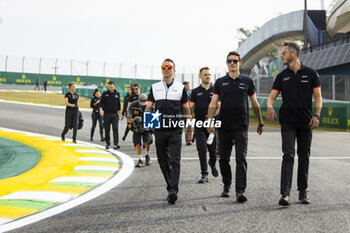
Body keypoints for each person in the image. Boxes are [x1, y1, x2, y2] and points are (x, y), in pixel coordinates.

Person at [266, 41, 322, 206]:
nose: (281, 56)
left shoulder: (311, 74)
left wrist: (317, 115)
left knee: (304, 157)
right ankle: (285, 194)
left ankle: (302, 192)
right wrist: (269, 106)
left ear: (294, 54)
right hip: (288, 122)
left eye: (283, 53)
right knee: (288, 155)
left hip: (306, 122)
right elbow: (271, 98)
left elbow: (318, 97)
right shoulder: (282, 76)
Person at [207, 51, 264, 203]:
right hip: (224, 126)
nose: (232, 63)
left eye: (235, 61)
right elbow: (213, 103)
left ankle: (240, 191)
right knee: (224, 159)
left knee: (241, 159)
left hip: (241, 127)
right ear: (226, 63)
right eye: (229, 61)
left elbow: (254, 103)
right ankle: (227, 184)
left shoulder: (247, 81)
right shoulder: (219, 82)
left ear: (240, 62)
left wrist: (260, 122)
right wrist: (210, 121)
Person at [145, 58, 192, 204]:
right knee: (162, 161)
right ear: (161, 69)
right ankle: (170, 186)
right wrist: (147, 125)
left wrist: (189, 127)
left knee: (175, 160)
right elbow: (149, 107)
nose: (166, 69)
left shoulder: (180, 88)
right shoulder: (154, 87)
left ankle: (173, 191)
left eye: (169, 67)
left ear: (174, 70)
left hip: (176, 130)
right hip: (159, 130)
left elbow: (186, 108)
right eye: (164, 67)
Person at [190, 67, 220, 183]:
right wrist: (191, 114)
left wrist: (211, 116)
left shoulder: (216, 90)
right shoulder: (195, 91)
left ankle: (212, 164)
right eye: (205, 74)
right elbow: (190, 107)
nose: (208, 76)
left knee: (213, 150)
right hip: (199, 124)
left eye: (209, 74)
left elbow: (219, 107)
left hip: (212, 124)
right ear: (200, 76)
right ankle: (204, 174)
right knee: (201, 149)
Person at [128, 93, 153, 167]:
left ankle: (147, 155)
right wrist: (134, 120)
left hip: (147, 126)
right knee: (137, 143)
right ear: (138, 100)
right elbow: (129, 118)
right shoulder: (132, 105)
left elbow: (154, 119)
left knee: (147, 142)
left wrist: (146, 127)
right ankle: (140, 159)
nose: (143, 105)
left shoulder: (150, 105)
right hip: (136, 126)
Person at [100, 80, 121, 150]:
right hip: (106, 114)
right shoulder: (104, 94)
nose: (110, 89)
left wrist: (119, 113)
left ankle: (116, 144)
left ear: (114, 86)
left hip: (115, 114)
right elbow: (101, 103)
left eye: (111, 87)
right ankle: (107, 143)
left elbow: (118, 104)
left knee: (115, 129)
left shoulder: (117, 94)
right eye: (109, 87)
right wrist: (101, 109)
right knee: (107, 130)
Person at [183, 81, 192, 145]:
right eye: (187, 85)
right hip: (183, 112)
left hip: (188, 112)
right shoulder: (182, 93)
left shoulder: (189, 93)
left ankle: (188, 140)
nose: (189, 87)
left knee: (188, 125)